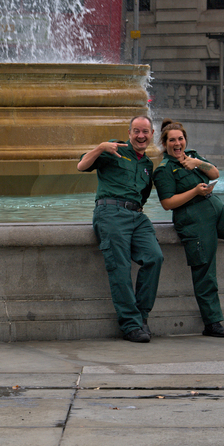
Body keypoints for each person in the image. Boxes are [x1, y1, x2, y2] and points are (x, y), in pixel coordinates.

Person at [153, 119, 224, 338]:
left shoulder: (193, 156)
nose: (177, 144)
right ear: (164, 143)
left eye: (180, 139)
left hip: (216, 209)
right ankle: (212, 322)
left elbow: (215, 174)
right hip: (193, 218)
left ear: (185, 140)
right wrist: (195, 192)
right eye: (172, 140)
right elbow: (167, 203)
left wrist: (197, 163)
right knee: (205, 269)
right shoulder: (164, 169)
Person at [77, 116, 163, 343]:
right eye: (136, 131)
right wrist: (99, 148)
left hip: (137, 216)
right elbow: (81, 165)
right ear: (129, 132)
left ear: (152, 134)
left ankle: (141, 317)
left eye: (145, 131)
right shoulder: (113, 148)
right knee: (120, 268)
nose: (141, 136)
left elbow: (143, 197)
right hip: (111, 213)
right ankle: (131, 326)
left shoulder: (147, 165)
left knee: (154, 257)